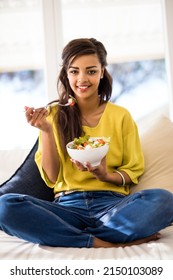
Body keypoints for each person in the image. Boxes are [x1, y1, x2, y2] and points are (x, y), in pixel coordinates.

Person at [0, 38, 173, 248]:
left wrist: (105, 174)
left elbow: (132, 170)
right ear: (66, 73)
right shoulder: (53, 116)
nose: (82, 79)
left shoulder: (121, 116)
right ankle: (104, 241)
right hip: (66, 207)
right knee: (4, 206)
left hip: (111, 207)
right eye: (74, 71)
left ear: (102, 72)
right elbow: (52, 178)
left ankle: (72, 236)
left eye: (91, 71)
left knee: (164, 200)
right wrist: (45, 130)